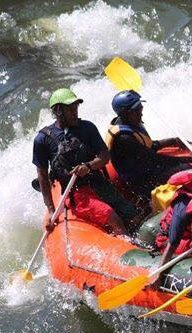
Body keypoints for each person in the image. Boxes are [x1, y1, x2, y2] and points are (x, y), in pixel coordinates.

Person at [32, 88, 138, 235]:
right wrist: (51, 210)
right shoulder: (42, 140)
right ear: (58, 111)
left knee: (133, 215)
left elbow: (104, 156)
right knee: (113, 217)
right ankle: (130, 251)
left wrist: (88, 166)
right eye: (70, 109)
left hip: (99, 184)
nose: (75, 112)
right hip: (77, 194)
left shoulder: (87, 128)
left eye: (76, 107)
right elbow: (43, 177)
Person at [105, 89, 192, 212]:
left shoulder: (130, 122)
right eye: (136, 110)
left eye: (140, 108)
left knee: (181, 166)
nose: (141, 112)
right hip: (140, 179)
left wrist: (173, 140)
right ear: (125, 113)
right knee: (185, 168)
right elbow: (154, 158)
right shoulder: (124, 138)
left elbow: (148, 145)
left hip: (144, 165)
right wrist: (191, 159)